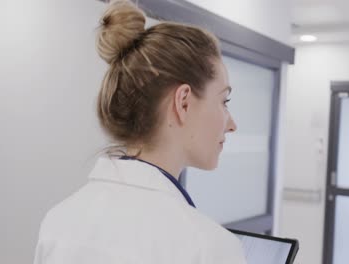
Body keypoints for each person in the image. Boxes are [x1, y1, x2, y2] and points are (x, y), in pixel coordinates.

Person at [33, 0, 246, 263]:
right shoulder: (208, 246)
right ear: (184, 103)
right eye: (224, 102)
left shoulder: (59, 221)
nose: (232, 124)